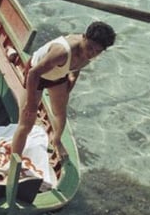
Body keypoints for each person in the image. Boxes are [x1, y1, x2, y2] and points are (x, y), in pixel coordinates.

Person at [10, 21, 116, 158]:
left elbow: (77, 68)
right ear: (84, 37)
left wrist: (70, 84)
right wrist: (31, 103)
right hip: (37, 75)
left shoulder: (90, 52)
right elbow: (33, 73)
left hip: (59, 76)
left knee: (60, 112)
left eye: (97, 51)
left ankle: (57, 141)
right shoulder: (62, 52)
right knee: (27, 122)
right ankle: (15, 159)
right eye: (90, 48)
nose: (92, 53)